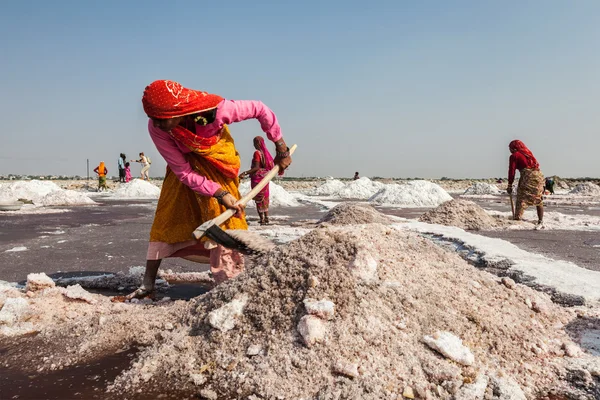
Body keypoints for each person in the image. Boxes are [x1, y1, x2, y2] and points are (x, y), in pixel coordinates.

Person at [124, 80, 291, 300]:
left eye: (162, 119)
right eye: (153, 119)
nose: (157, 125)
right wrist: (219, 194)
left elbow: (260, 109)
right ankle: (147, 285)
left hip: (219, 167)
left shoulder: (218, 110)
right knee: (166, 221)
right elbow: (183, 171)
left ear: (179, 110)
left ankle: (230, 287)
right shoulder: (157, 128)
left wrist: (280, 146)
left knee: (227, 225)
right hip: (184, 173)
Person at [239, 136, 275, 225]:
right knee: (265, 197)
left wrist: (245, 172)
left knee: (258, 199)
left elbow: (256, 167)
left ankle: (262, 219)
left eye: (254, 143)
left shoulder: (257, 153)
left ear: (257, 143)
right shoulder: (266, 153)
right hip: (265, 178)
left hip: (258, 179)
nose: (254, 145)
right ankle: (266, 217)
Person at [507, 140, 544, 225]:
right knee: (538, 198)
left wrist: (510, 184)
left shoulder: (514, 156)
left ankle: (517, 218)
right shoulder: (528, 154)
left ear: (514, 148)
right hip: (538, 176)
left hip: (528, 177)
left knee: (521, 198)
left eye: (510, 148)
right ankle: (540, 220)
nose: (509, 150)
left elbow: (511, 171)